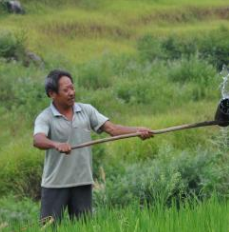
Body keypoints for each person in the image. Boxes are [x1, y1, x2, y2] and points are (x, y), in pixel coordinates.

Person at [33, 70, 153, 223]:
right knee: (47, 231)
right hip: (55, 185)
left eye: (72, 88)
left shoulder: (86, 110)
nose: (71, 93)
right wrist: (56, 144)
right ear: (52, 94)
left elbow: (113, 129)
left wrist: (137, 131)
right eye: (65, 90)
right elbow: (38, 140)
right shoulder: (45, 117)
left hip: (82, 182)